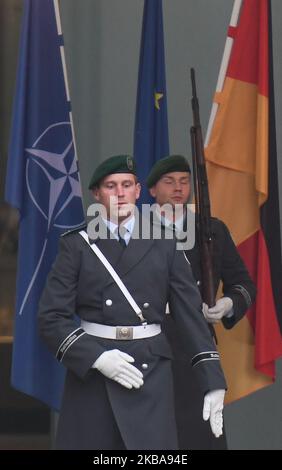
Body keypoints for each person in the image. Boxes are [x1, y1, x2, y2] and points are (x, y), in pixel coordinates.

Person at [38, 154, 227, 450]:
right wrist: (97, 358)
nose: (120, 193)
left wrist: (213, 378)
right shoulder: (77, 244)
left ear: (138, 191)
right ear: (97, 195)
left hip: (149, 373)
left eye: (127, 185)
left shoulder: (165, 242)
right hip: (94, 374)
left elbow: (190, 316)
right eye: (111, 186)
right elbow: (51, 318)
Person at [147, 154, 256, 450]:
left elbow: (243, 284)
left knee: (199, 434)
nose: (178, 188)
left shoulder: (212, 230)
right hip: (149, 344)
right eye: (169, 182)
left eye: (184, 181)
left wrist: (228, 304)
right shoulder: (135, 231)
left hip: (197, 344)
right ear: (152, 190)